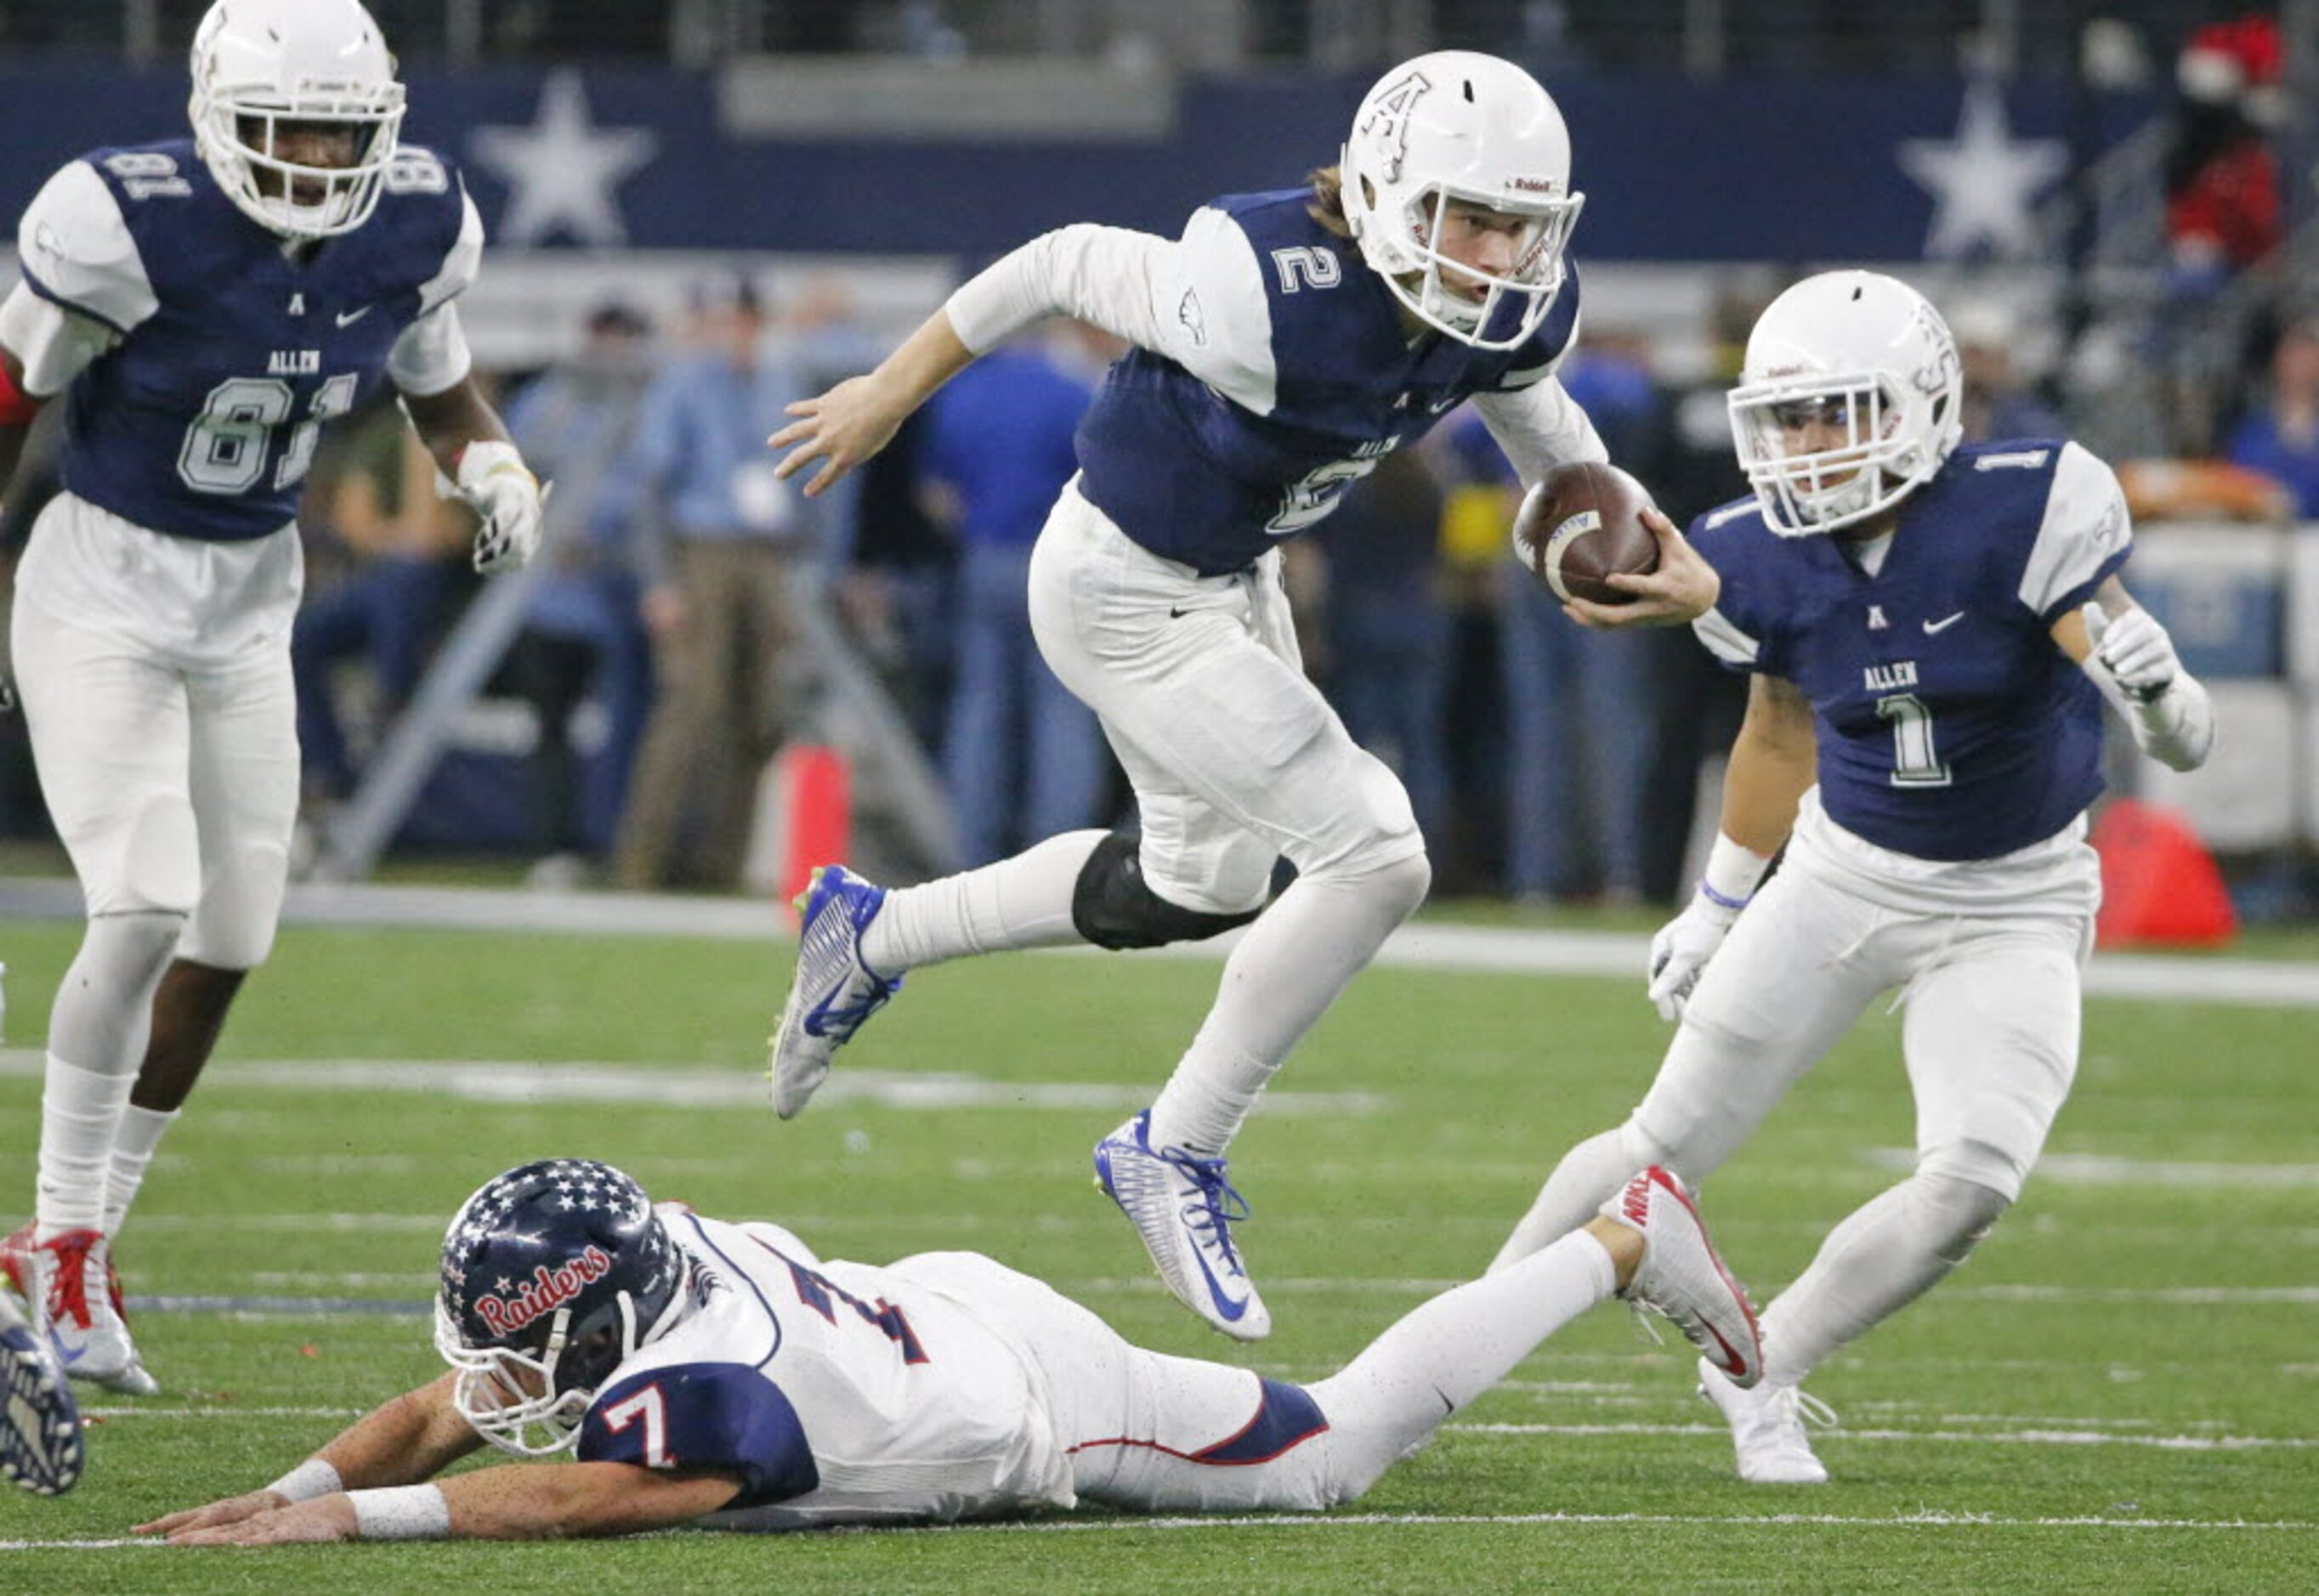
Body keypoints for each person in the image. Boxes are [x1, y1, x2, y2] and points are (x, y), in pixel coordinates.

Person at [763, 51, 1719, 1341]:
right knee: (1375, 851)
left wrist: (1646, 538)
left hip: (1231, 577)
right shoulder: (1257, 289)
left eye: (1524, 225)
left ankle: (873, 937)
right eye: (1472, 217)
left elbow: (1538, 417)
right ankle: (1175, 1146)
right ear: (1385, 192)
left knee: (1198, 887)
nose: (1500, 254)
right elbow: (1056, 259)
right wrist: (889, 391)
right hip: (1118, 583)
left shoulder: (1504, 304)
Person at [1488, 271, 2216, 1485]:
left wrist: (2161, 692)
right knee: (1656, 1141)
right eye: (1787, 420)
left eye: (1836, 413)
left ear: (1925, 406)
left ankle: (1759, 1366)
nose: (1807, 446)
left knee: (1973, 1183)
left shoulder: (2026, 508)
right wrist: (1719, 904)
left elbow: (2177, 737)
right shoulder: (1745, 553)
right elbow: (1780, 731)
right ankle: (1453, 1348)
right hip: (1842, 872)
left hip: (2016, 897)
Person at [0, 0, 545, 1396]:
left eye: (340, 132)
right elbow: (12, 402)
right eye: (288, 127)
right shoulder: (123, 221)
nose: (313, 156)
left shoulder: (415, 220)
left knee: (232, 932)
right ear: (217, 114)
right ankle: (58, 1244)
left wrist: (487, 464)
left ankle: (75, 1245)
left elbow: (440, 386)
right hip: (101, 584)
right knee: (139, 900)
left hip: (250, 603)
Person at [136, 1154, 1759, 1543]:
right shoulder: (637, 1277)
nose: (498, 1381)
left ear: (614, 1305)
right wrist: (279, 1488)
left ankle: (1620, 1232)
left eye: (546, 1343)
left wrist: (354, 1516)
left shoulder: (712, 1390)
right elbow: (454, 1399)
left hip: (1024, 1389)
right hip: (915, 1310)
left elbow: (571, 1497)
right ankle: (1590, 1230)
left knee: (1326, 1453)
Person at [602, 274, 829, 891]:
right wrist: (660, 582)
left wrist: (804, 564)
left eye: (743, 319)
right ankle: (642, 863)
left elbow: (809, 475)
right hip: (702, 550)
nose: (733, 332)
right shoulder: (685, 381)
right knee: (691, 710)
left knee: (758, 712)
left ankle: (721, 865)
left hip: (767, 555)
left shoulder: (780, 381)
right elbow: (648, 485)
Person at [920, 325, 1114, 866]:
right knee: (1063, 706)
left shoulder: (964, 393)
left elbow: (938, 494)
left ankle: (971, 848)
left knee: (979, 706)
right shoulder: (1071, 390)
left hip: (983, 558)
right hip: (1055, 560)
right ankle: (1056, 853)